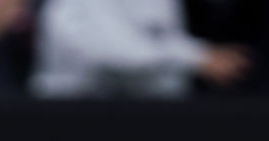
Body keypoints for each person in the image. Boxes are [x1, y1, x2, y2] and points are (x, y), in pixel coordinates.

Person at [29, 0, 251, 98]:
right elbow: (111, 51)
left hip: (143, 104)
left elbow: (162, 33)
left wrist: (200, 55)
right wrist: (196, 58)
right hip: (70, 107)